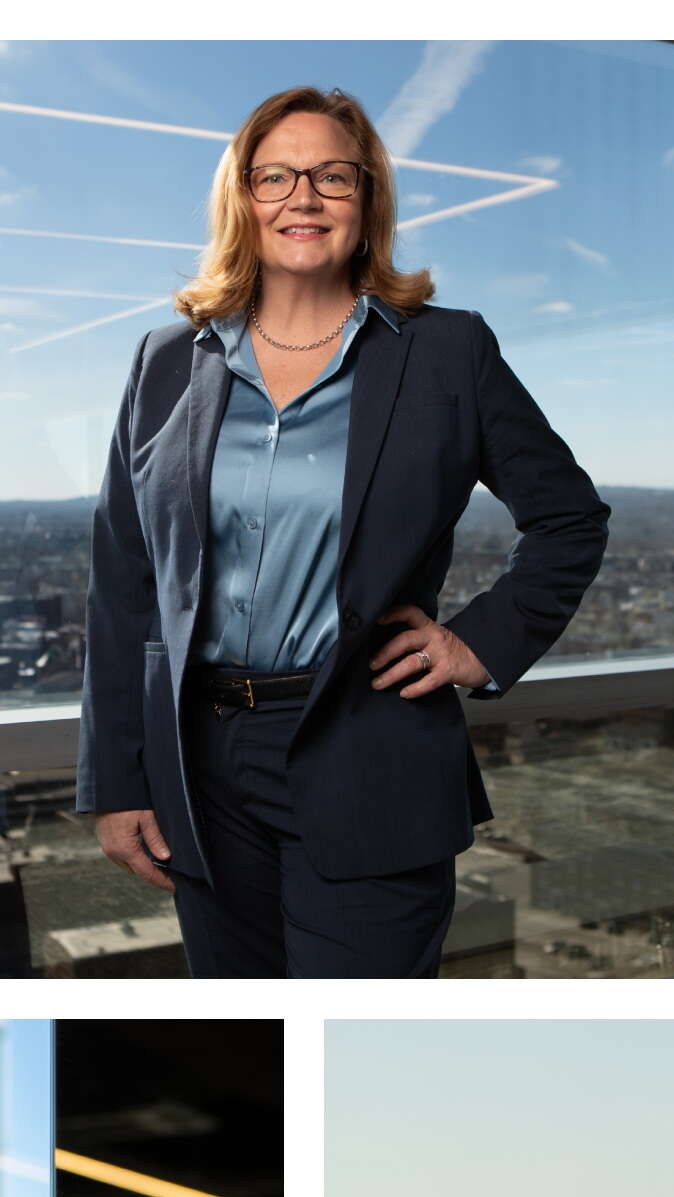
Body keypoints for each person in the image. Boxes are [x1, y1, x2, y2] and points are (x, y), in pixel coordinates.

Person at [78, 86, 609, 978]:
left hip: (370, 745)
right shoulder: (165, 361)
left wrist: (477, 643)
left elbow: (569, 518)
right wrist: (117, 781)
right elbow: (124, 581)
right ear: (242, 201)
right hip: (203, 767)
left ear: (367, 201)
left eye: (332, 175)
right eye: (275, 176)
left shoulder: (445, 351)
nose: (304, 197)